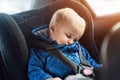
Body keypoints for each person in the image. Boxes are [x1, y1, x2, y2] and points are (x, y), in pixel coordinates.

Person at [28, 7, 101, 80]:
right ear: (53, 28)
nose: (71, 42)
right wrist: (47, 78)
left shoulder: (78, 48)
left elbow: (90, 61)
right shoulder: (40, 51)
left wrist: (100, 70)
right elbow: (34, 69)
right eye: (68, 36)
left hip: (87, 75)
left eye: (75, 39)